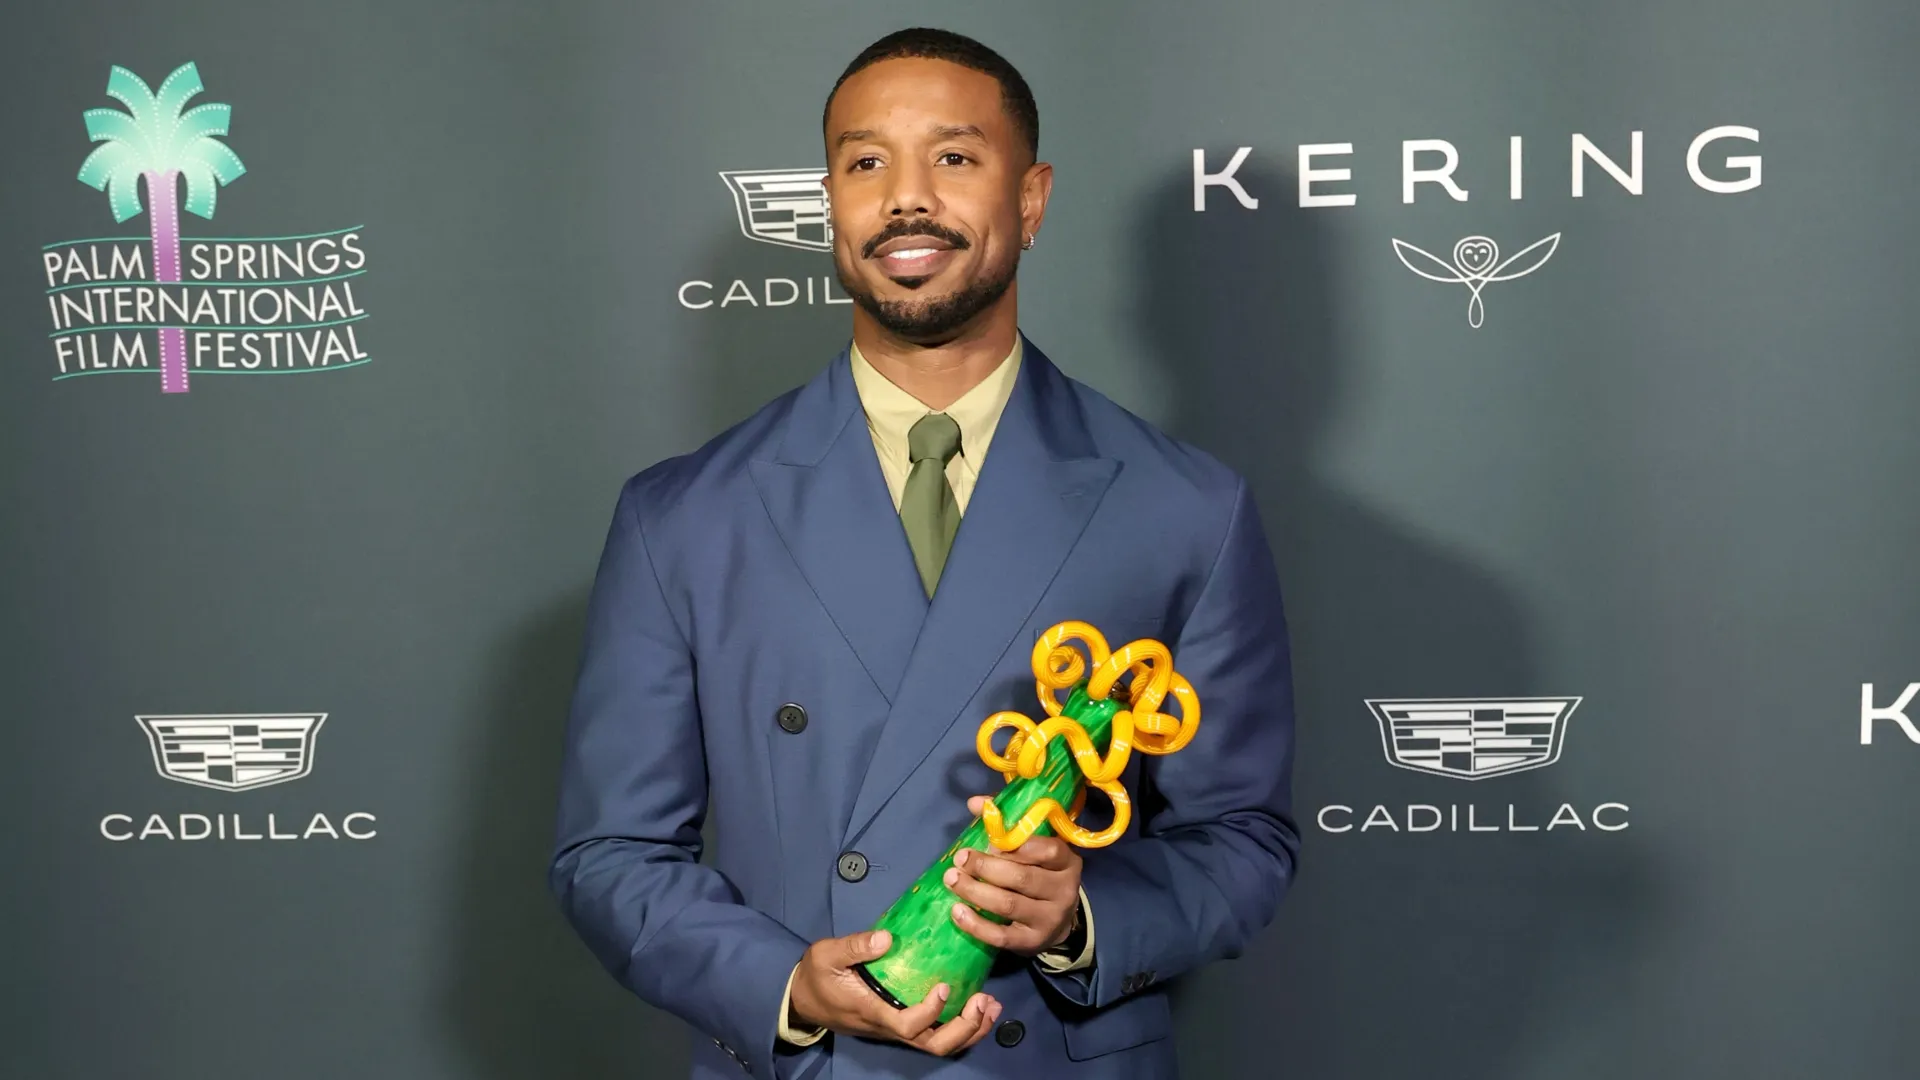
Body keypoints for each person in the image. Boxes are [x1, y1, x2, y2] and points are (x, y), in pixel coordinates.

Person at [549, 26, 1298, 1080]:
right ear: (830, 204)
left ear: (1029, 199)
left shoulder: (1185, 508)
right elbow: (608, 853)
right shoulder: (681, 516)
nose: (907, 198)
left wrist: (1081, 918)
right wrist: (784, 986)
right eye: (866, 163)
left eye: (954, 157)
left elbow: (1242, 842)